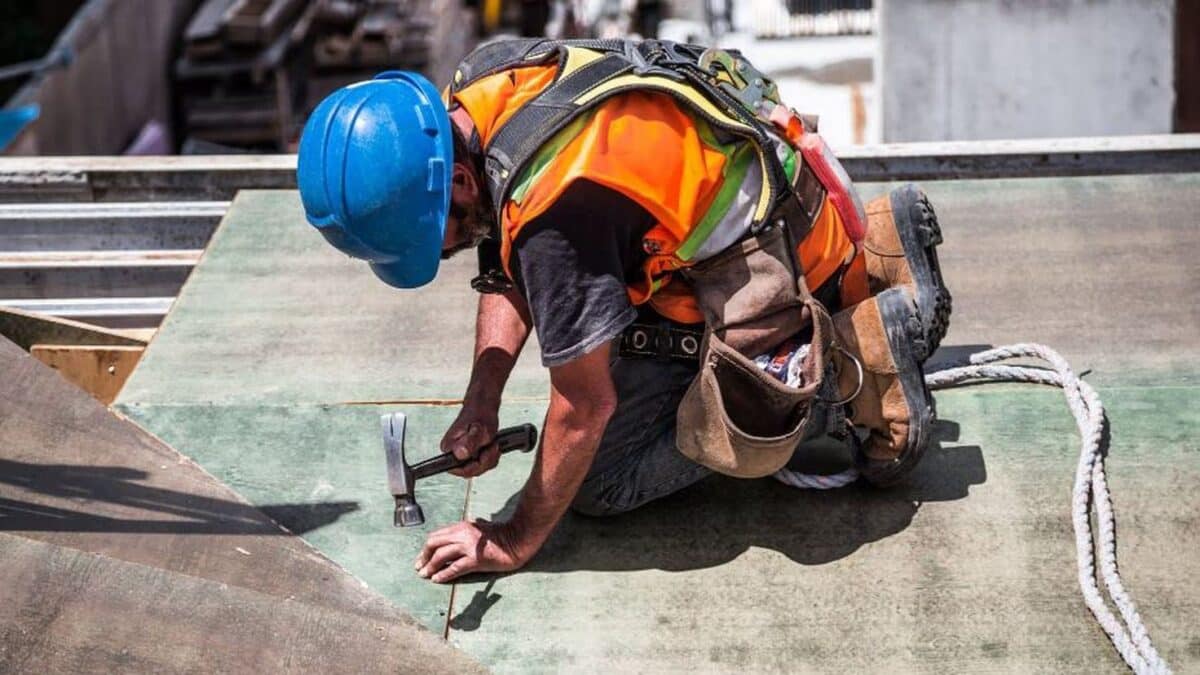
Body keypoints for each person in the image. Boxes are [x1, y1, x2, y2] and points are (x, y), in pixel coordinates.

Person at [297, 38, 951, 584]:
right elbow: (504, 252)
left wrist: (514, 538)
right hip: (773, 198)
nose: (438, 256)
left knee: (603, 479)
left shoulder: (556, 216)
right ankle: (879, 253)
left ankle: (852, 362)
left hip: (771, 265)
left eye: (429, 240)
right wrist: (482, 399)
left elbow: (585, 406)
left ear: (459, 182)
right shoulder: (482, 86)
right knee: (593, 335)